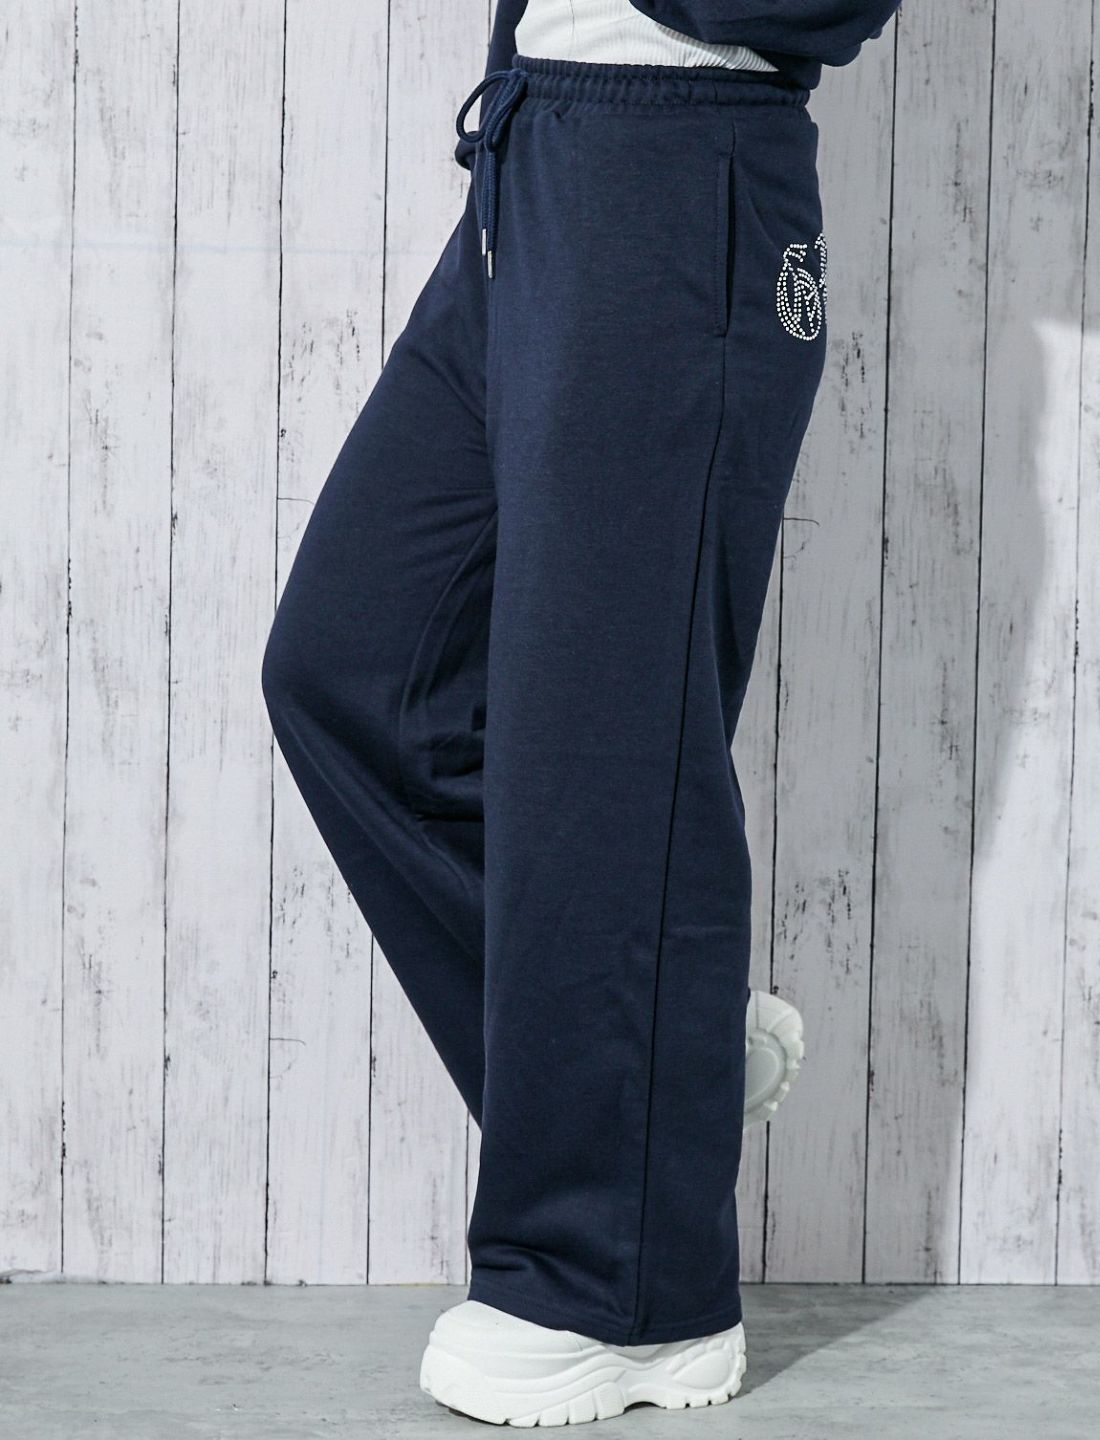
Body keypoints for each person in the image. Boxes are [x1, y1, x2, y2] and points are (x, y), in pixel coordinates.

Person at [260, 0, 901, 1426]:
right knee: (357, 675)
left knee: (607, 750)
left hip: (676, 179)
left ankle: (622, 1297)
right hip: (532, 157)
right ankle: (664, 1073)